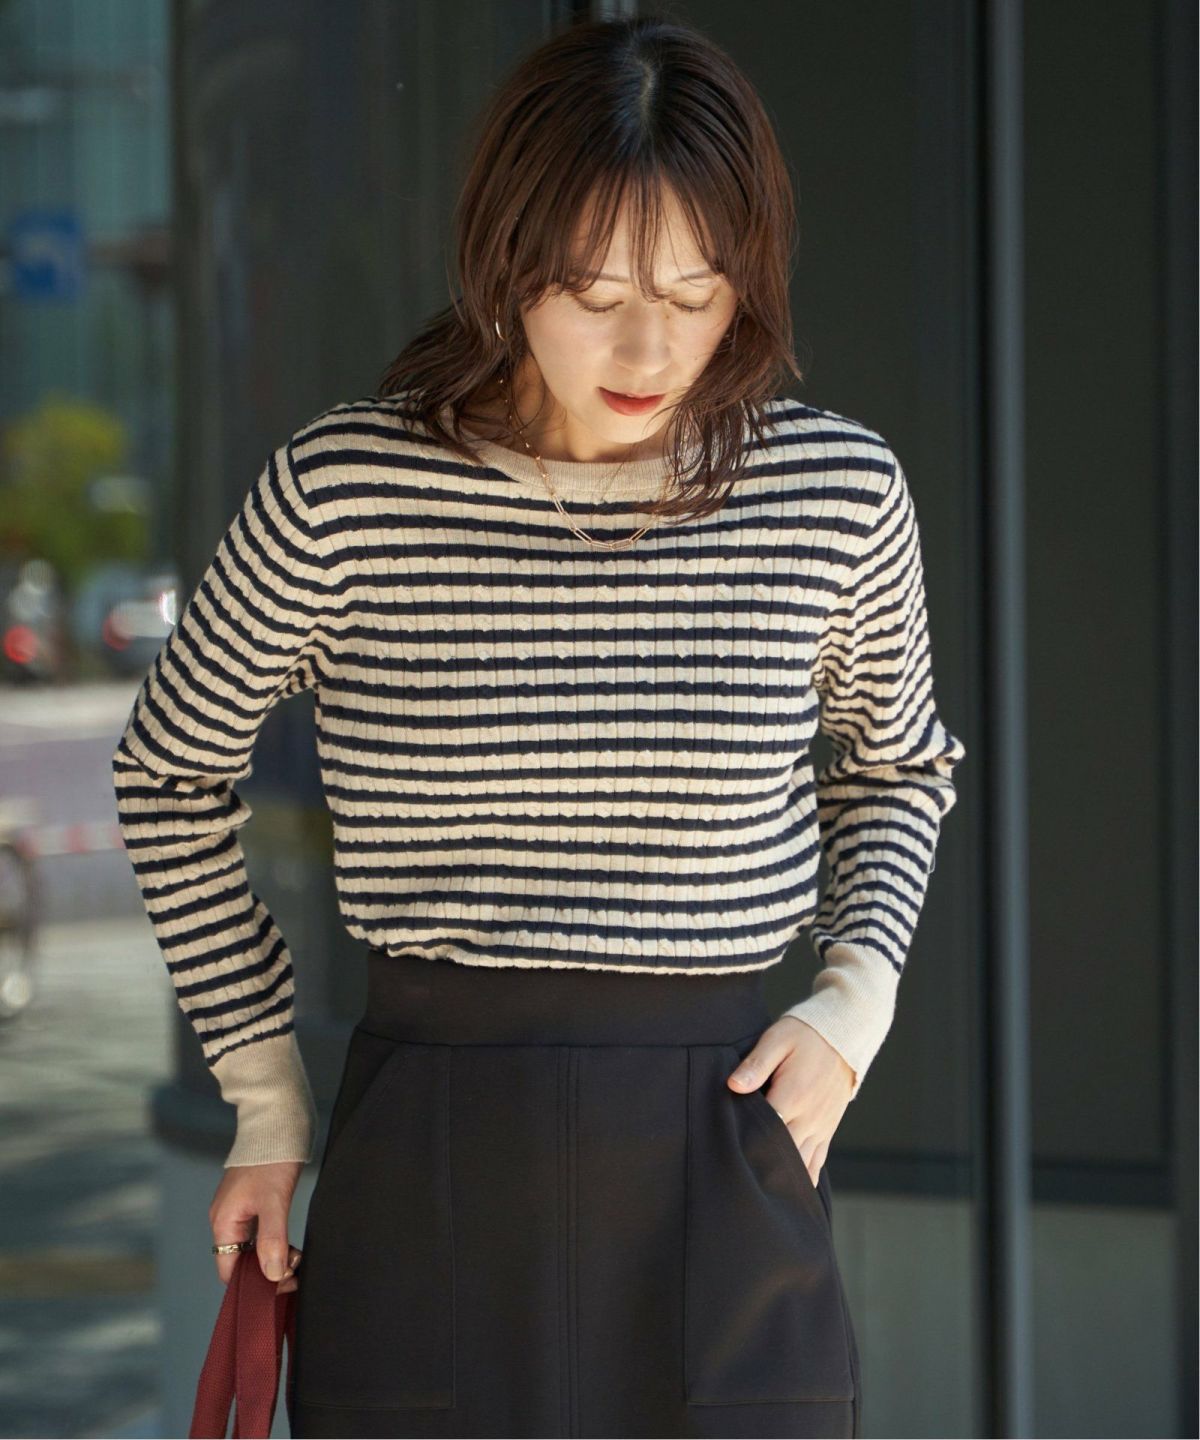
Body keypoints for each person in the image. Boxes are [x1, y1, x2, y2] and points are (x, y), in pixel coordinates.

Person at [112, 14, 966, 1439]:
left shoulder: (834, 495)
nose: (650, 346)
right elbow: (166, 772)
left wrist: (855, 1003)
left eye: (696, 293)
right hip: (429, 1151)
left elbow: (897, 768)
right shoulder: (344, 492)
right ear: (503, 260)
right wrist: (263, 1089)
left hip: (722, 1142)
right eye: (593, 291)